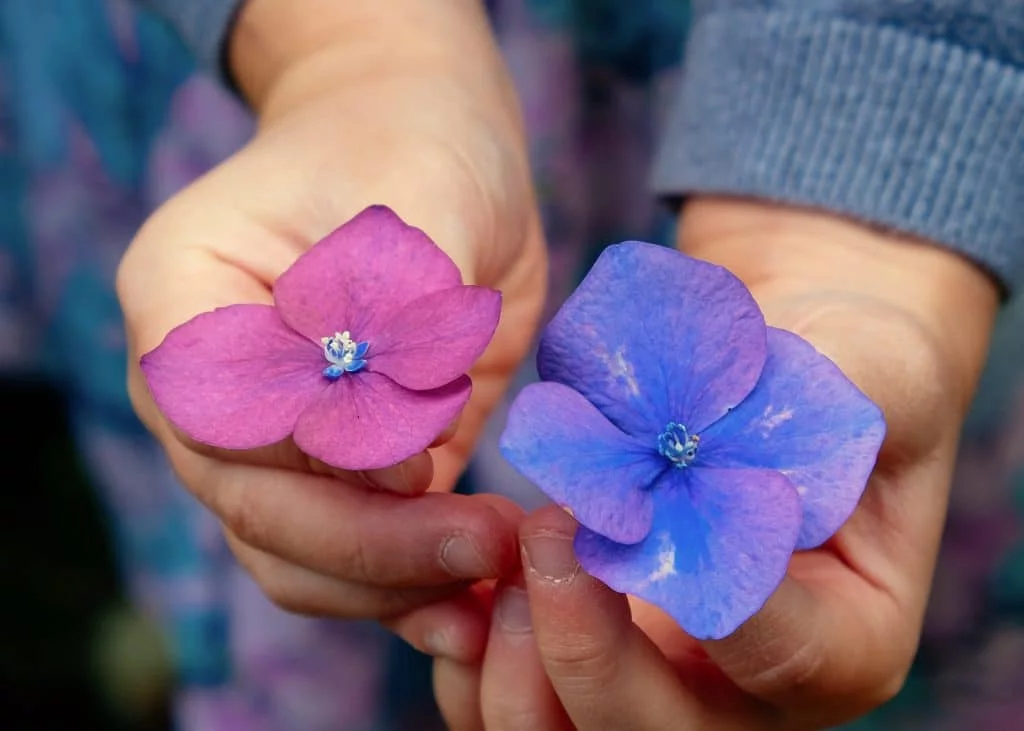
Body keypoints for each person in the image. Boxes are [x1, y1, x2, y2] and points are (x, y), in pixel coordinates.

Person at [3, 0, 1022, 728]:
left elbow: (834, 426)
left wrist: (862, 225)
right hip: (271, 65)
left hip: (815, 101)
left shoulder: (805, 413)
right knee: (317, 546)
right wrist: (347, 48)